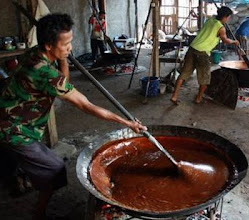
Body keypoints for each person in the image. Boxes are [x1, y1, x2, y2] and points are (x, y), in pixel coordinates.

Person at [0, 13, 146, 220]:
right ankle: (38, 213)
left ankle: (20, 177)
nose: (70, 48)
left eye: (71, 42)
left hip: (10, 116)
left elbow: (63, 81)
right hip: (15, 130)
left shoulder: (34, 53)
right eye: (66, 44)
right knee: (55, 170)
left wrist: (64, 60)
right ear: (49, 46)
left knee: (19, 159)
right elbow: (86, 105)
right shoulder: (43, 73)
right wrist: (126, 122)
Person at [170, 6, 240, 104]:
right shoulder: (221, 28)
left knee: (184, 74)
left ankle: (174, 96)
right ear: (225, 17)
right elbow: (225, 40)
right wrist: (234, 42)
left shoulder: (210, 20)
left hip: (192, 48)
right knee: (205, 78)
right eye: (228, 17)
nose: (228, 19)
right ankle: (198, 98)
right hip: (202, 53)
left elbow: (211, 19)